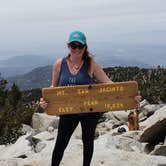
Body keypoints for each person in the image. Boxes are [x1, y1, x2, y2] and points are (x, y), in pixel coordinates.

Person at [39, 30, 141, 166]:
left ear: (85, 47)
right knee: (61, 143)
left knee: (88, 142)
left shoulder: (91, 64)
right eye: (73, 46)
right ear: (68, 46)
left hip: (90, 110)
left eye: (79, 46)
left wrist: (130, 95)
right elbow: (53, 87)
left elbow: (108, 83)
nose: (76, 49)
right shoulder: (59, 64)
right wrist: (45, 101)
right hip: (68, 110)